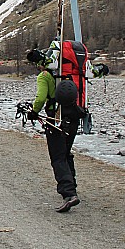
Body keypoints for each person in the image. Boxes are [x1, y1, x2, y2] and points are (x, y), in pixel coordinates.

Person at [26, 47, 81, 213]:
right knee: (66, 152)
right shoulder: (69, 74)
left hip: (55, 119)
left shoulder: (44, 76)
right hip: (74, 116)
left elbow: (41, 98)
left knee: (57, 157)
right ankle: (72, 185)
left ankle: (69, 194)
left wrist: (34, 112)